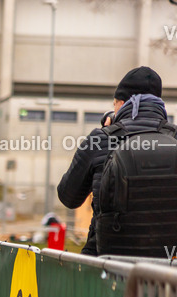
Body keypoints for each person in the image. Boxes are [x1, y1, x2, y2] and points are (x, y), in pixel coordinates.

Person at [58, 66, 170, 256]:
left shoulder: (100, 139)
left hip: (105, 259)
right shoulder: (174, 138)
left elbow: (68, 196)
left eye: (114, 104)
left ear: (122, 104)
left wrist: (103, 135)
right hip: (166, 264)